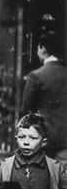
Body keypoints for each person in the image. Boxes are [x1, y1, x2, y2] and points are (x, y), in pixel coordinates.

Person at [22, 31, 67, 166]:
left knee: (43, 182)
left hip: (43, 141)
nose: (37, 52)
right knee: (63, 182)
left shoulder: (36, 76)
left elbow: (26, 111)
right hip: (65, 142)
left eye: (37, 48)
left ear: (43, 48)